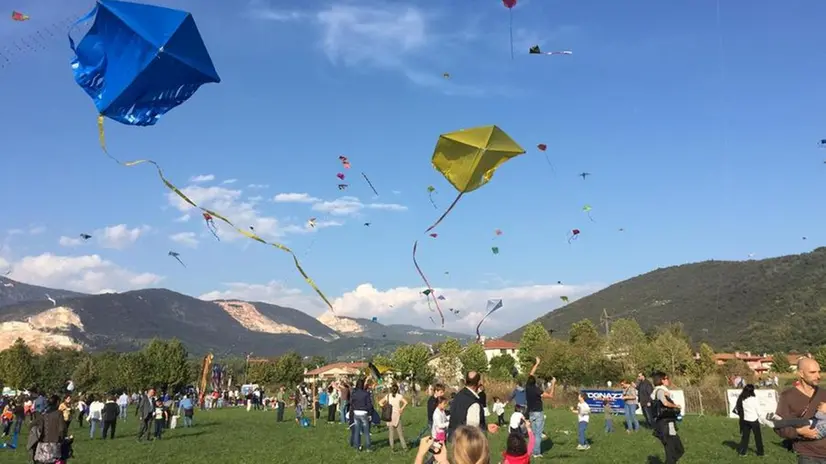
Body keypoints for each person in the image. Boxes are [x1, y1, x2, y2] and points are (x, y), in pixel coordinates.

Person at [774, 357, 826, 463]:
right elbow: (778, 425)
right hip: (808, 455)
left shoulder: (824, 394)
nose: (818, 376)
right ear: (801, 374)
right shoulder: (787, 396)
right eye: (812, 372)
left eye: (819, 372)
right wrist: (798, 432)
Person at [524, 357, 556, 458]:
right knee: (538, 434)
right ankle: (536, 453)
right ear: (535, 382)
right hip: (538, 413)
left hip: (530, 413)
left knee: (533, 434)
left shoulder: (527, 387)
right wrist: (553, 384)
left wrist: (537, 364)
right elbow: (550, 396)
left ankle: (533, 450)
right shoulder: (537, 390)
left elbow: (531, 374)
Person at [651, 371, 684, 463]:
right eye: (666, 378)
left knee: (679, 450)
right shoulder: (660, 391)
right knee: (672, 452)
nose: (668, 380)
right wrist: (675, 406)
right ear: (661, 380)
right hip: (665, 424)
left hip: (668, 423)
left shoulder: (661, 391)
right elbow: (665, 403)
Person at [28, 395, 69, 464]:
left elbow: (32, 425)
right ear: (57, 402)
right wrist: (63, 438)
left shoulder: (44, 414)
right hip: (54, 445)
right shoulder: (58, 413)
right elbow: (62, 429)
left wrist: (37, 434)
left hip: (42, 445)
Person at [448, 371, 484, 437]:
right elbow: (473, 430)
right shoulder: (473, 403)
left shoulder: (458, 395)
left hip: (454, 439)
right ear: (479, 383)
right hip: (466, 442)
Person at [731, 384, 764, 456]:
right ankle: (760, 452)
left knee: (745, 437)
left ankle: (742, 452)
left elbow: (739, 409)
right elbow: (758, 411)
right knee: (758, 437)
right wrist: (762, 419)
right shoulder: (754, 399)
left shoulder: (743, 399)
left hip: (745, 420)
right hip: (754, 420)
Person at [379, 383, 409, 452]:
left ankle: (392, 448)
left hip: (389, 416)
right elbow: (406, 402)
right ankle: (405, 448)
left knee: (391, 434)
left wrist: (384, 407)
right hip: (397, 416)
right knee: (400, 434)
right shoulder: (399, 396)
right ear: (397, 389)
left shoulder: (388, 396)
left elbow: (380, 402)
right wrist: (401, 409)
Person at [349, 378, 375, 451]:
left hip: (356, 412)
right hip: (364, 412)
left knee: (357, 431)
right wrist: (370, 413)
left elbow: (351, 403)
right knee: (366, 432)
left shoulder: (354, 393)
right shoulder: (366, 393)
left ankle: (357, 446)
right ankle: (368, 447)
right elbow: (369, 405)